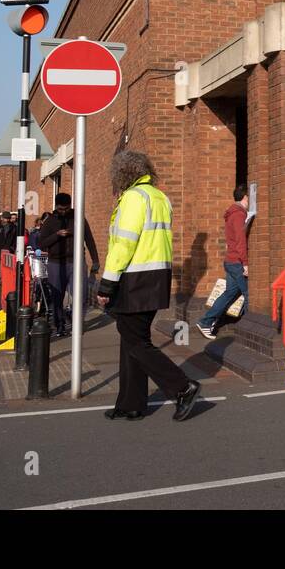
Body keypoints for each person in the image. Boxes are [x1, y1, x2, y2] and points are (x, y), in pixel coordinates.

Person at [97, 151, 200, 422]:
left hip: (135, 278)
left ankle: (183, 387)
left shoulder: (133, 198)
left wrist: (107, 283)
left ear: (122, 173)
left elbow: (124, 243)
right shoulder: (159, 197)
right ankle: (132, 403)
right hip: (157, 277)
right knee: (132, 340)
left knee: (136, 342)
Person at [40, 193, 101, 339]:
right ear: (56, 207)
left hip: (77, 261)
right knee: (57, 296)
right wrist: (57, 235)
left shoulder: (78, 218)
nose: (63, 212)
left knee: (81, 295)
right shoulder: (49, 221)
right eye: (60, 209)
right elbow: (42, 243)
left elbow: (90, 240)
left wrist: (95, 260)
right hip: (56, 263)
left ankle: (77, 324)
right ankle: (59, 325)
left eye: (66, 209)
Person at [196, 185, 249, 339]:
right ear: (246, 197)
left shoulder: (232, 213)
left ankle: (206, 322)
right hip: (237, 262)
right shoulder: (238, 215)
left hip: (231, 261)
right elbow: (240, 241)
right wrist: (245, 263)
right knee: (249, 294)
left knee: (230, 293)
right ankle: (245, 330)